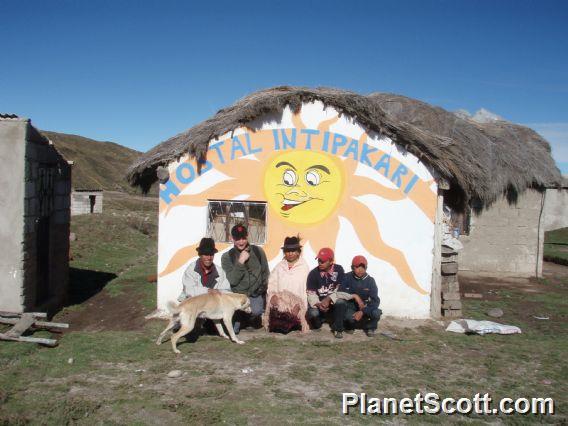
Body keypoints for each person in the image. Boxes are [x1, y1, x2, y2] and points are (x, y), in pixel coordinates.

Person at [221, 224, 269, 333]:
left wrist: (262, 290)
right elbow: (232, 280)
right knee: (233, 330)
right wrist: (240, 262)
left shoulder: (258, 251)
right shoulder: (226, 257)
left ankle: (249, 319)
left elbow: (265, 272)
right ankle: (239, 317)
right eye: (237, 239)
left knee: (256, 311)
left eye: (243, 238)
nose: (241, 242)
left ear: (247, 236)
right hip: (237, 296)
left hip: (254, 293)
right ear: (232, 238)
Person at [263, 236, 310, 334]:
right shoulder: (279, 267)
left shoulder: (304, 268)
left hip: (296, 304)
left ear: (298, 252)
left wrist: (299, 305)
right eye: (288, 251)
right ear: (284, 252)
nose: (290, 254)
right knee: (279, 324)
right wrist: (273, 296)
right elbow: (272, 283)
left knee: (292, 323)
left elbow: (304, 290)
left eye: (293, 251)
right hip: (281, 303)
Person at [333, 255, 381, 339]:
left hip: (366, 307)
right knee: (340, 303)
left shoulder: (370, 281)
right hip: (351, 306)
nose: (360, 270)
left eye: (363, 267)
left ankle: (370, 328)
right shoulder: (346, 277)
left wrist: (363, 311)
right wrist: (355, 296)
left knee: (376, 312)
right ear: (352, 267)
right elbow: (340, 292)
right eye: (357, 267)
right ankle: (340, 328)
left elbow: (375, 301)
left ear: (366, 268)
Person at [306, 247, 345, 331]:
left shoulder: (339, 270)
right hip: (319, 304)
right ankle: (318, 324)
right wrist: (318, 304)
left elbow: (341, 289)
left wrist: (329, 299)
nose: (320, 263)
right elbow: (311, 293)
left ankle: (337, 328)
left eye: (323, 261)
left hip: (333, 303)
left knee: (341, 302)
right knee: (313, 313)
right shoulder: (313, 274)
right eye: (319, 260)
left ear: (331, 261)